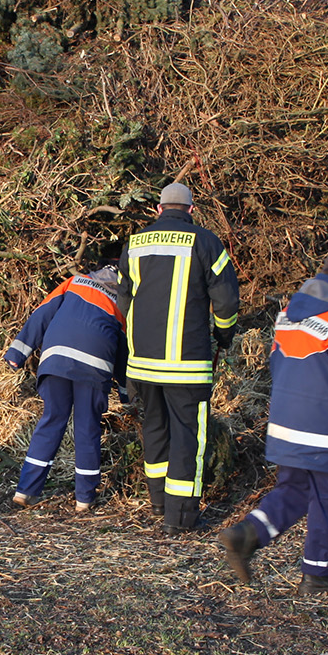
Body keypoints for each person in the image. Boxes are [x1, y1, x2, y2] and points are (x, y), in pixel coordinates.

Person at [216, 246, 328, 594]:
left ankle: (246, 535)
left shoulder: (289, 310)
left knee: (295, 489)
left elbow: (276, 361)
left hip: (286, 422)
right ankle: (320, 575)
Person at [116, 181, 240, 531]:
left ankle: (158, 503)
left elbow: (124, 300)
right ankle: (180, 518)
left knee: (155, 428)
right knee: (188, 436)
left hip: (142, 363)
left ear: (158, 209)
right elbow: (227, 301)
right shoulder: (205, 241)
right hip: (187, 365)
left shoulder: (135, 243)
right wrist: (224, 334)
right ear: (190, 209)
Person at [3, 255, 126, 512]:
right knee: (87, 428)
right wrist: (126, 394)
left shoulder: (74, 282)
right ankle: (84, 499)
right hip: (94, 368)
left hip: (55, 360)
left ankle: (25, 491)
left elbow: (42, 315)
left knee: (52, 420)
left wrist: (18, 353)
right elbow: (124, 354)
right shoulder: (123, 304)